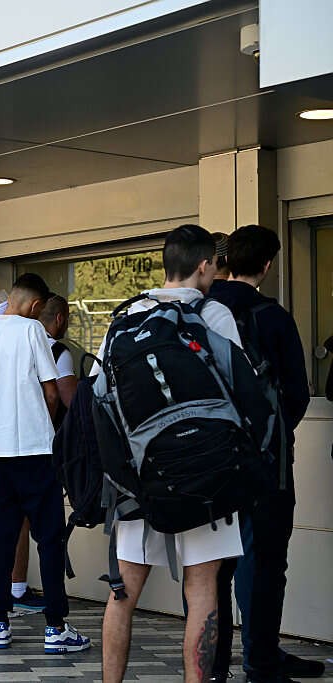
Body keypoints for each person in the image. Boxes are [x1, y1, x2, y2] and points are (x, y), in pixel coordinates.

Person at [100, 224, 244, 683]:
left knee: (123, 592)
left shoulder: (125, 318)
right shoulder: (214, 315)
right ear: (204, 265)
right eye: (213, 266)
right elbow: (240, 391)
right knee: (202, 590)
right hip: (207, 479)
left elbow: (101, 398)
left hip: (140, 477)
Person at [208, 225, 322, 682]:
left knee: (211, 567)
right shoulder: (272, 316)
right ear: (268, 264)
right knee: (264, 563)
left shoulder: (197, 311)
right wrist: (274, 436)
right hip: (264, 464)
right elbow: (297, 393)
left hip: (206, 462)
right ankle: (261, 661)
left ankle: (212, 666)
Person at [0, 272, 90, 653]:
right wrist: (48, 426)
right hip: (36, 450)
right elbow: (52, 392)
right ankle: (56, 627)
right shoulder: (33, 331)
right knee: (49, 538)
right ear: (36, 306)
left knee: (2, 536)